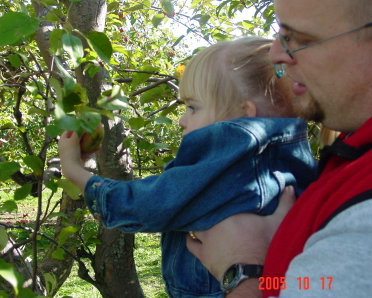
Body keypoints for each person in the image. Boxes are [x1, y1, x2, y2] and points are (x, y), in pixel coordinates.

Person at [58, 37, 318, 297]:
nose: (182, 120)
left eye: (193, 107)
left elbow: (149, 204)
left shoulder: (236, 161)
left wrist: (76, 172)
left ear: (244, 115)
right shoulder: (291, 157)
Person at [186, 0, 372, 297]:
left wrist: (242, 270)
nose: (276, 53)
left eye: (301, 39)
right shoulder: (352, 157)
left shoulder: (364, 219)